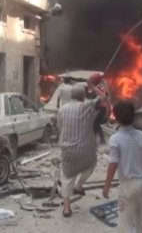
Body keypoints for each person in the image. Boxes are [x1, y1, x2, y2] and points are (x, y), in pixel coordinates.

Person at [103, 100, 142, 233]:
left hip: (127, 186)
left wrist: (107, 185)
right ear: (134, 117)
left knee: (125, 224)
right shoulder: (141, 136)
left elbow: (113, 164)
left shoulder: (115, 139)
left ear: (115, 118)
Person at [57, 73, 109, 217]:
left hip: (67, 150)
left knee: (67, 178)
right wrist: (95, 86)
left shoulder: (62, 110)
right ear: (82, 96)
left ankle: (66, 208)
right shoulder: (88, 106)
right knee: (91, 164)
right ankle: (79, 185)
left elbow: (59, 128)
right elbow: (104, 98)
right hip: (86, 150)